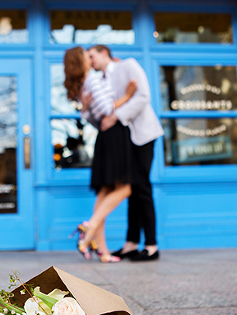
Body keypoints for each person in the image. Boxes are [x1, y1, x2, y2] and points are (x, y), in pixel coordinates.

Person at [87, 45, 164, 262]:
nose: (90, 61)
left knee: (142, 188)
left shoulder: (128, 65)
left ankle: (151, 245)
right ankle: (131, 243)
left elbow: (143, 96)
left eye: (92, 56)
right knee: (128, 188)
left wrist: (116, 116)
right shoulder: (99, 82)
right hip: (121, 142)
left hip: (142, 135)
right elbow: (100, 117)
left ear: (104, 53)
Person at [63, 46, 137, 263]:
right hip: (115, 135)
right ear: (82, 61)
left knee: (104, 192)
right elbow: (106, 110)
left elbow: (94, 119)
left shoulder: (82, 85)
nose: (90, 59)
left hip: (104, 137)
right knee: (125, 188)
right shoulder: (92, 79)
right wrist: (128, 96)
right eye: (87, 56)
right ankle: (89, 226)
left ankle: (103, 252)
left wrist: (84, 109)